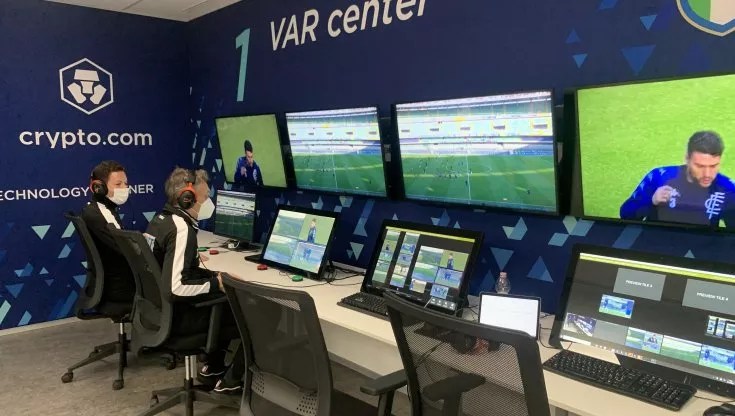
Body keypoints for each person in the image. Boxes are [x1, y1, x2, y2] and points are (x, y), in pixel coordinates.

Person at [146, 168, 243, 395]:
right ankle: (232, 380)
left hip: (157, 311)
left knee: (223, 295)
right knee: (248, 312)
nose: (209, 201)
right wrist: (216, 284)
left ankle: (213, 368)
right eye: (205, 196)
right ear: (187, 198)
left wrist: (215, 276)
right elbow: (176, 287)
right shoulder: (181, 229)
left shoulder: (161, 220)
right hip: (179, 318)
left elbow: (178, 271)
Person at [620, 131, 735, 227]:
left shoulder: (728, 189)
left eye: (713, 166)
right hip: (657, 244)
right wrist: (651, 201)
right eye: (700, 166)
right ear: (687, 159)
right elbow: (625, 215)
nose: (707, 174)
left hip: (701, 247)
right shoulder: (659, 177)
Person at [80, 160, 135, 303]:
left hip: (114, 282)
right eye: (118, 184)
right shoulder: (102, 214)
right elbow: (128, 250)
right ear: (99, 187)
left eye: (125, 183)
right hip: (120, 288)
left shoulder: (99, 209)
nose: (125, 188)